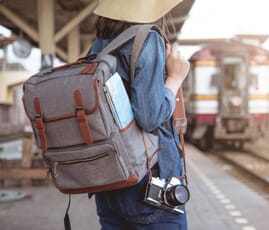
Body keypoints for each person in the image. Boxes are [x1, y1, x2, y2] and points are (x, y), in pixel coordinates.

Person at [88, 0, 190, 229]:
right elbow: (150, 116)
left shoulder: (99, 46)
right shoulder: (147, 38)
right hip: (150, 187)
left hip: (109, 186)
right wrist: (174, 79)